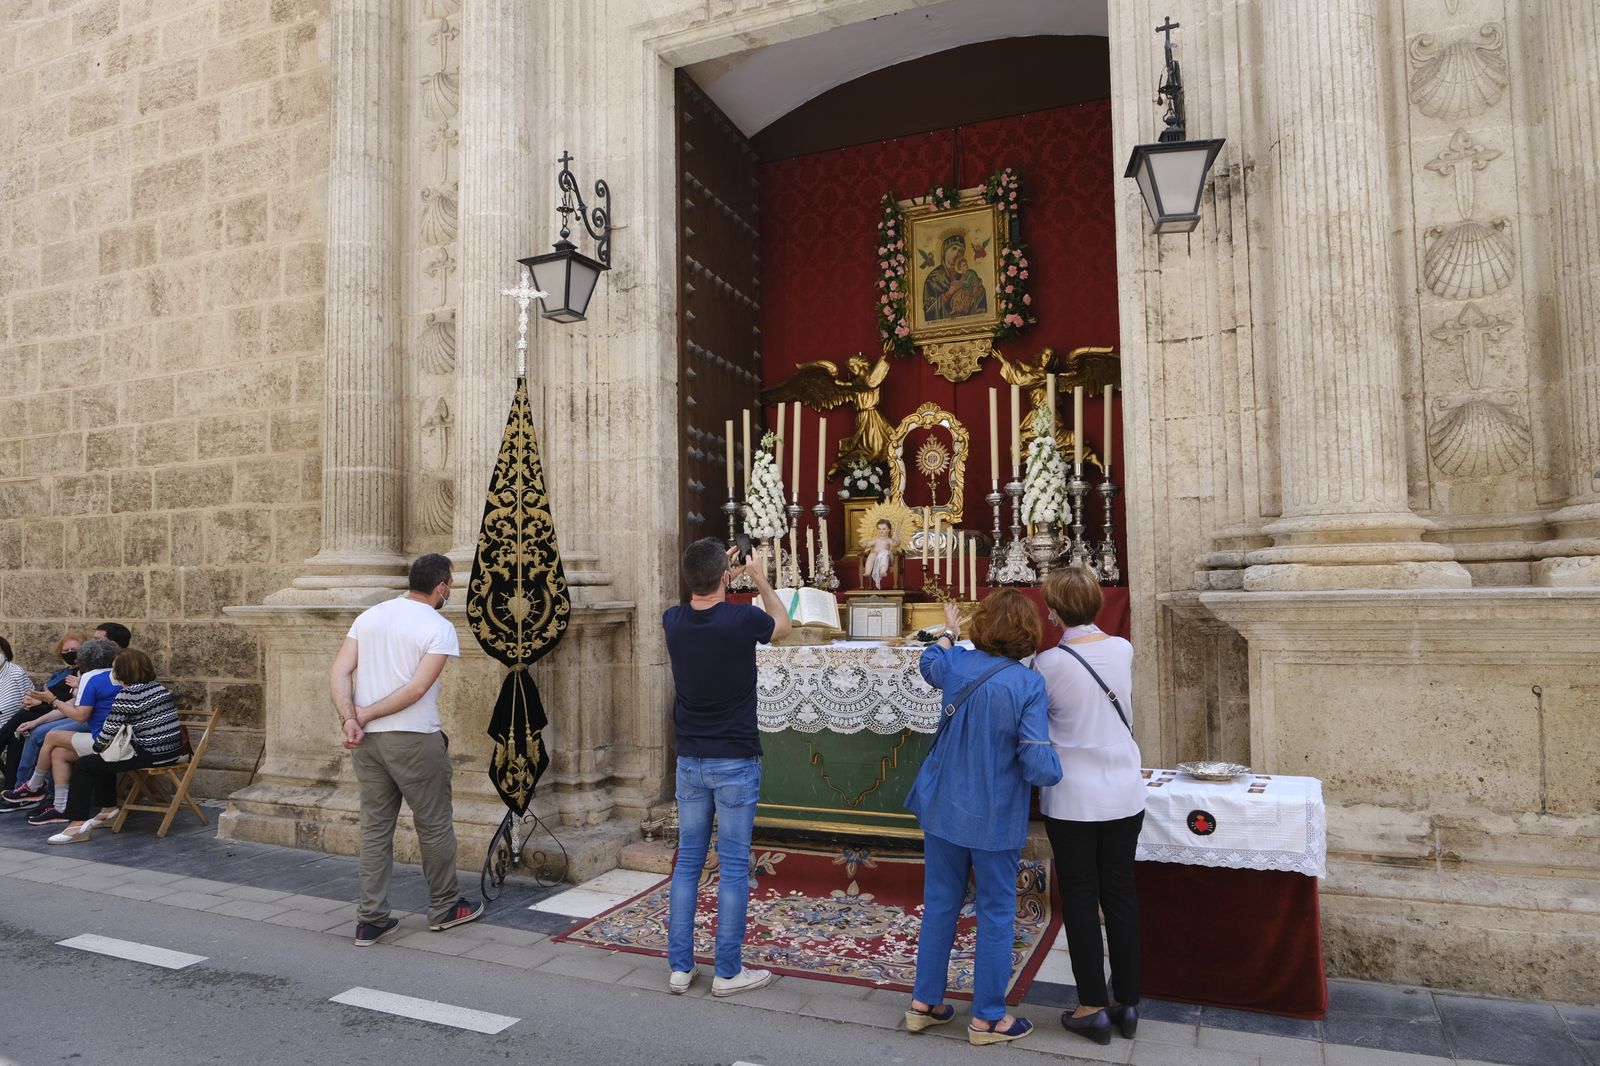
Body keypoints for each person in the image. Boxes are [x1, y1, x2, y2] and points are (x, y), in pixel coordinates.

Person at [903, 590, 1061, 1046]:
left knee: (940, 904)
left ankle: (924, 1004)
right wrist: (1065, 764)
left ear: (983, 626)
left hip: (943, 806)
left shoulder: (956, 665)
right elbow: (1037, 766)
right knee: (995, 912)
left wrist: (949, 632)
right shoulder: (1028, 684)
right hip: (993, 814)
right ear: (1028, 632)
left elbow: (928, 663)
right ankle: (988, 1017)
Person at [330, 553, 482, 947]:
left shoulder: (371, 616)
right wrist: (363, 713)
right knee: (433, 824)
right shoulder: (439, 626)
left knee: (375, 829)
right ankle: (445, 907)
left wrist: (351, 717)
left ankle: (371, 919)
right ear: (442, 587)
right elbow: (416, 690)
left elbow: (339, 671)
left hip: (368, 743)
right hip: (414, 738)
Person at [661, 538, 791, 998]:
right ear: (724, 577)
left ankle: (680, 967)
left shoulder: (672, 621)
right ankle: (728, 971)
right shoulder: (741, 618)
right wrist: (755, 576)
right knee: (734, 866)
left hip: (690, 759)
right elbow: (783, 624)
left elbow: (700, 602)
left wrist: (718, 573)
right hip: (735, 758)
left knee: (688, 862)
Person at [1035, 568, 1145, 1044]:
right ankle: (1129, 1002)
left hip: (1074, 795)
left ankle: (1090, 1005)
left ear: (1054, 613)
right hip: (1123, 788)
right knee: (1120, 892)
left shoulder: (1047, 664)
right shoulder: (1122, 648)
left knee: (1080, 897)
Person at [45, 648, 184, 845]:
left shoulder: (128, 696)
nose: (112, 672)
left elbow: (107, 736)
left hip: (151, 753)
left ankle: (76, 825)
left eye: (114, 668)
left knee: (86, 764)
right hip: (171, 752)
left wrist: (94, 748)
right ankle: (108, 810)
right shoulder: (158, 688)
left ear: (123, 672)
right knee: (104, 758)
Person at [0, 638, 121, 820]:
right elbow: (72, 704)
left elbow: (80, 715)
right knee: (58, 752)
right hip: (110, 737)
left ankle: (32, 786)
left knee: (51, 735)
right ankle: (60, 806)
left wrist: (53, 700)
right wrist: (37, 720)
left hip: (107, 740)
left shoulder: (89, 678)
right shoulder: (114, 675)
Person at [0, 631, 85, 793]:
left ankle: (21, 787)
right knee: (16, 734)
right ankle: (12, 787)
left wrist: (40, 702)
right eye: (65, 651)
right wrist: (31, 700)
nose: (69, 654)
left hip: (55, 714)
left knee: (22, 719)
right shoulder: (61, 673)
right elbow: (42, 692)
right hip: (41, 710)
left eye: (73, 650)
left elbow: (67, 699)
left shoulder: (81, 674)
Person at [922, 233, 988, 322]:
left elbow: (981, 295)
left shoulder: (967, 274)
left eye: (960, 251)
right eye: (954, 249)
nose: (957, 253)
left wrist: (975, 290)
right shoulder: (933, 279)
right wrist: (949, 293)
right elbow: (928, 312)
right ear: (944, 251)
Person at [859, 518, 901, 589]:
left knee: (884, 553)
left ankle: (883, 570)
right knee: (872, 555)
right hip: (875, 556)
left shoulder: (889, 540)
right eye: (879, 529)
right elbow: (869, 544)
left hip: (886, 556)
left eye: (884, 529)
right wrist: (864, 544)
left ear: (889, 530)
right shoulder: (876, 539)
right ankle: (868, 571)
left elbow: (896, 544)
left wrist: (896, 538)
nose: (881, 531)